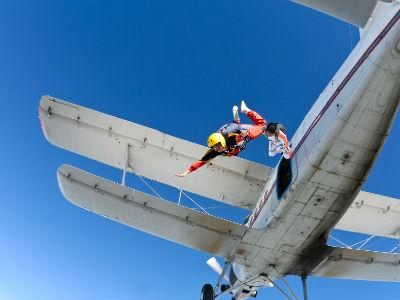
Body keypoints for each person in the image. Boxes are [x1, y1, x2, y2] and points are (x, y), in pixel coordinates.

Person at [175, 101, 266, 177]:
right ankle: (236, 120)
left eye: (217, 146)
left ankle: (246, 111)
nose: (217, 149)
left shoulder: (232, 138)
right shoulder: (215, 151)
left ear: (221, 142)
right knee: (237, 135)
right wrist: (188, 171)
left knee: (262, 125)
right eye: (214, 148)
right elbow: (201, 161)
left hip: (239, 132)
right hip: (232, 142)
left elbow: (238, 136)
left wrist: (260, 130)